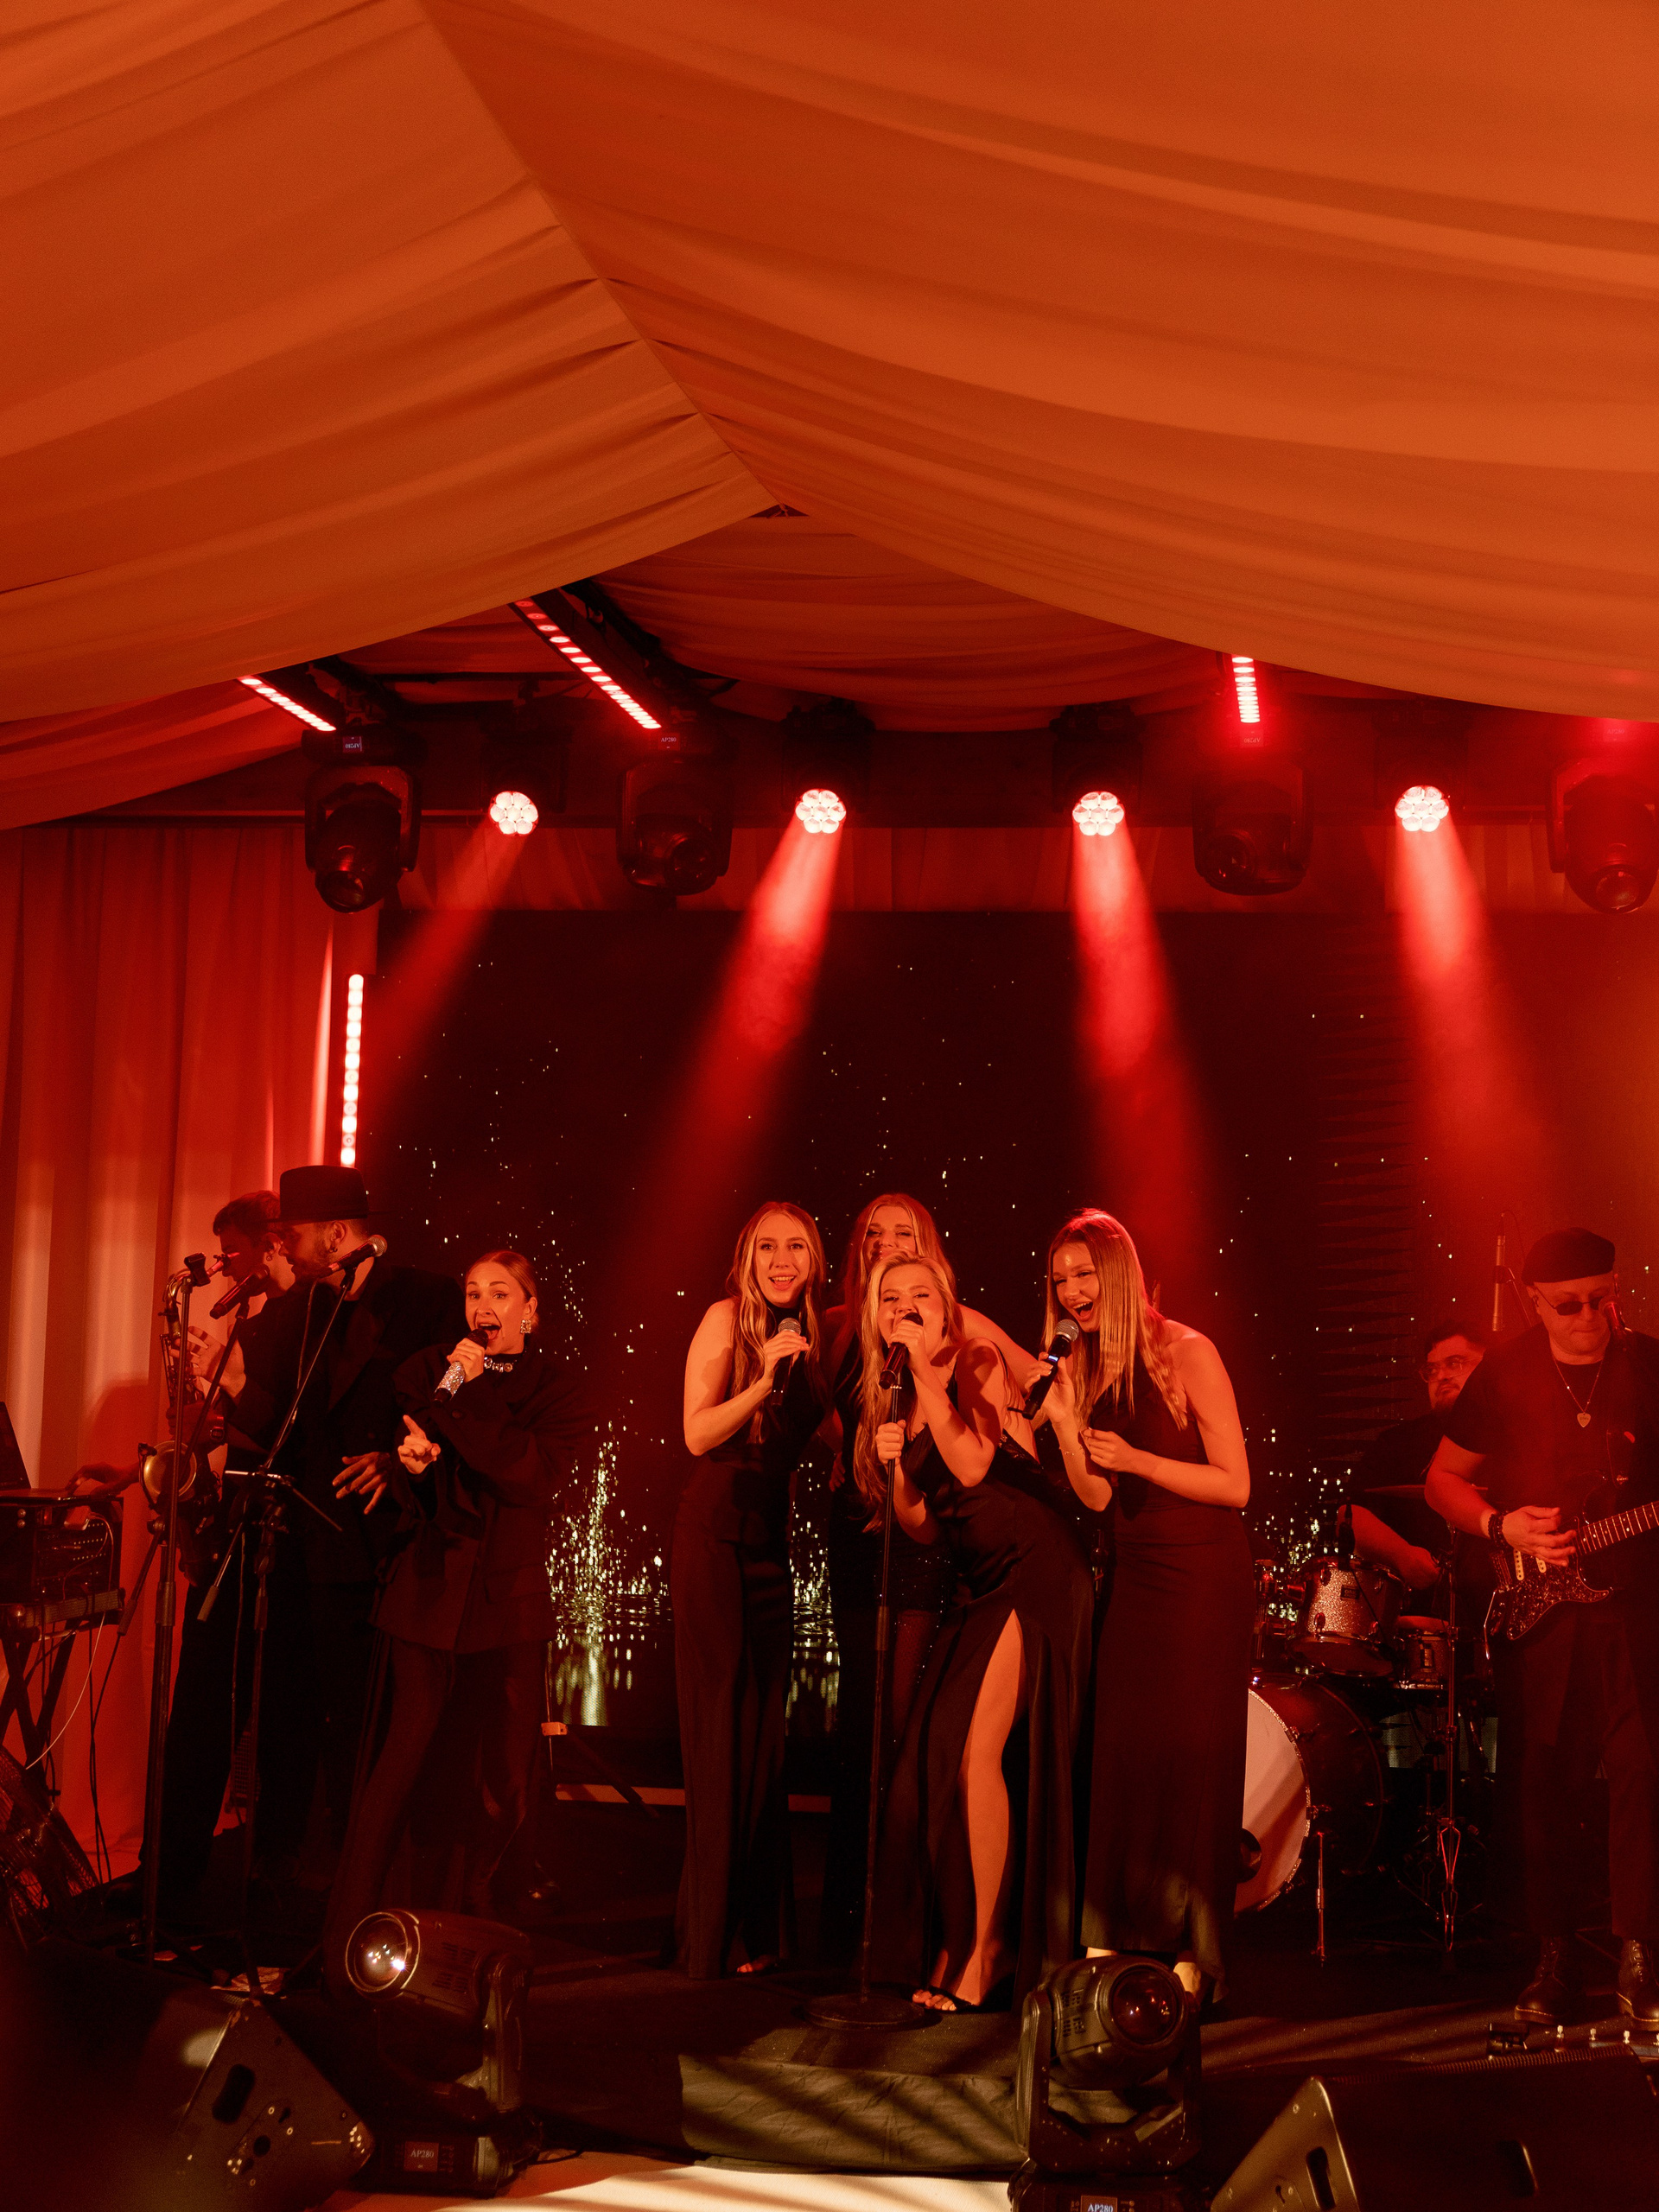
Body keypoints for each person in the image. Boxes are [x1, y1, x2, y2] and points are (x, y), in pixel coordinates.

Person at [323, 1250, 586, 1992]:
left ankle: (483, 1946)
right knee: (401, 1763)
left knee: (502, 1776)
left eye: (500, 1292)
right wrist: (412, 1467)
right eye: (473, 1293)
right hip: (428, 1595)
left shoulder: (556, 1390)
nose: (483, 1306)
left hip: (508, 1603)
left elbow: (529, 1475)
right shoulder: (426, 1372)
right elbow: (425, 1484)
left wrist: (463, 1405)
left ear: (531, 1310)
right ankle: (351, 1938)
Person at [1426, 1227, 1659, 2028]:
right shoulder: (1508, 1371)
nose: (1591, 1317)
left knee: (1644, 1776)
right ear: (1533, 1303)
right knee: (1544, 1783)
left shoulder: (1649, 1366)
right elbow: (1442, 1481)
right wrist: (1501, 1527)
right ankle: (1553, 1961)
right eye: (1570, 1305)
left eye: (1603, 1299)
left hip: (1640, 1606)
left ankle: (1642, 1958)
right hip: (1544, 1611)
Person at [1039, 1209, 1253, 2008]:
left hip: (1200, 1575)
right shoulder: (1085, 1365)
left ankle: (1193, 1953)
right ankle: (1110, 1940)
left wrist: (1141, 1459)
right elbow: (1097, 1497)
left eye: (1084, 1273)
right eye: (1060, 1279)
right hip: (1134, 1572)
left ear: (1119, 1272)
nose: (1072, 1290)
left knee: (1192, 1761)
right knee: (1123, 1756)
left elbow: (1235, 1484)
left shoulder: (1188, 1350)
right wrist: (1067, 1423)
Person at [219, 1165, 464, 1856]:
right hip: (318, 1551)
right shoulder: (301, 1312)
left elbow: (456, 1398)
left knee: (393, 1725)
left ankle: (395, 1870)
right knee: (317, 1718)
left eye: (292, 1235)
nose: (284, 1249)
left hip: (401, 1547)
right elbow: (273, 1427)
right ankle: (317, 1869)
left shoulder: (427, 1297)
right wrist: (229, 1382)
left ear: (334, 1235)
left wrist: (399, 1459)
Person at [870, 1255, 1095, 2011]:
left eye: (920, 1297)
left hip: (1033, 1568)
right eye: (890, 1299)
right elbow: (924, 1528)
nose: (905, 1309)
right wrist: (896, 1475)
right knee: (931, 1757)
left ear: (947, 1306)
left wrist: (926, 1384)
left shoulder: (977, 1360)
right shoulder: (899, 1393)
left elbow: (972, 1466)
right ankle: (955, 1939)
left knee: (975, 1754)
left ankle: (989, 1951)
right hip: (975, 1579)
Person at [820, 1192, 1035, 1955]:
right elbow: (832, 1417)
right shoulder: (852, 1331)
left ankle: (926, 1921)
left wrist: (1024, 1428)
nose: (886, 1243)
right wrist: (864, 1461)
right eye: (873, 1233)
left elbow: (1031, 1388)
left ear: (931, 1252)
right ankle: (865, 1916)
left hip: (946, 1544)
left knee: (914, 1726)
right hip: (880, 1527)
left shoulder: (959, 1330)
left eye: (903, 1234)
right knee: (869, 1722)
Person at [675, 1201, 830, 1977]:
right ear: (747, 1257)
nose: (781, 1260)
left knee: (765, 1733)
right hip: (712, 1539)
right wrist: (764, 1379)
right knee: (717, 1730)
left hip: (770, 1546)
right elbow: (697, 1433)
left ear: (815, 1261)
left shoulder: (816, 1337)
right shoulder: (725, 1319)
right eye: (767, 1247)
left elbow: (829, 1431)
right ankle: (709, 1936)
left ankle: (760, 1934)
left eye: (795, 1247)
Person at [149, 1192, 313, 1921]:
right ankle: (171, 1874)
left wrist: (232, 1383)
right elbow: (228, 1432)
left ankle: (273, 1877)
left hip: (284, 1540)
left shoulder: (309, 1319)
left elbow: (286, 1433)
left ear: (272, 1244)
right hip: (234, 1528)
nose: (220, 1266)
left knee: (282, 1718)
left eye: (233, 1251)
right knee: (198, 1713)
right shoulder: (251, 1320)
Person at [1346, 1319, 1487, 1594]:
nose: (1442, 1376)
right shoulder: (1398, 1443)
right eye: (1432, 1370)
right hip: (1415, 1607)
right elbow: (1349, 1516)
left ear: (1489, 1365)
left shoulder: (1516, 1438)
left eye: (1455, 1363)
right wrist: (1402, 1555)